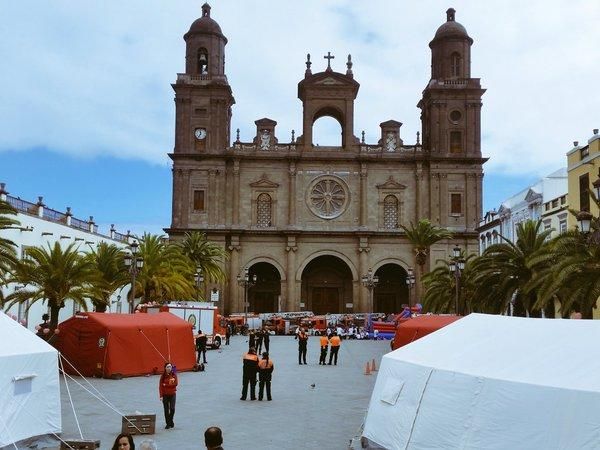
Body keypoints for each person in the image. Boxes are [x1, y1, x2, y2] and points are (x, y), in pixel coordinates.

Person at [159, 362, 178, 429]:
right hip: (165, 395)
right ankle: (168, 423)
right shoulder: (163, 376)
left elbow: (175, 384)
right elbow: (160, 386)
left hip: (173, 394)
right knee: (166, 410)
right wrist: (161, 396)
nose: (169, 368)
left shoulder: (174, 374)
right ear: (165, 368)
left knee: (172, 409)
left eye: (170, 367)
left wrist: (166, 385)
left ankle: (170, 421)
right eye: (168, 367)